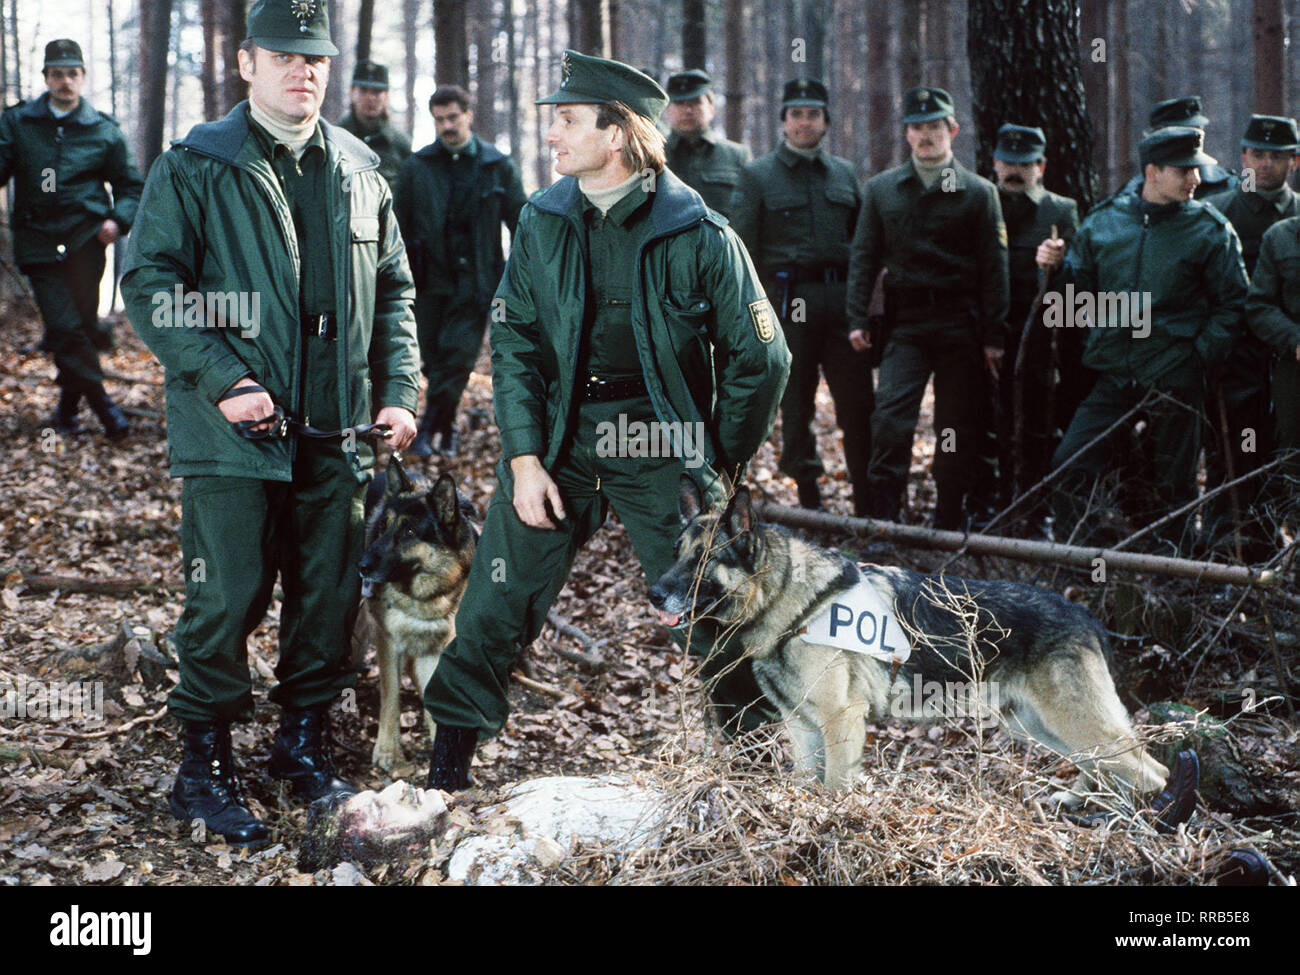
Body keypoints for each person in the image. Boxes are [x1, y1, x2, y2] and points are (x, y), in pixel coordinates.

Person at [421, 50, 790, 791]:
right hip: (558, 436)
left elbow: (764, 356)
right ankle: (446, 769)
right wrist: (524, 457)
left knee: (711, 604)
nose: (551, 135)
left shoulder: (699, 231)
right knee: (496, 598)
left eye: (566, 120)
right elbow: (517, 339)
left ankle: (753, 779)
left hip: (662, 438)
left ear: (616, 134)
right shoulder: (543, 217)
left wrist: (717, 456)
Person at [121, 0, 420, 847]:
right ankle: (202, 768)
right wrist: (225, 379)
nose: (306, 72)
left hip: (339, 431)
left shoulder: (360, 166)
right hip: (233, 434)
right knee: (226, 597)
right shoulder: (197, 164)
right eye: (286, 57)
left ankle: (302, 746)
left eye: (317, 58)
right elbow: (151, 283)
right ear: (247, 63)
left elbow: (395, 290)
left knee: (326, 597)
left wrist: (398, 388)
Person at [1050, 128, 1248, 555]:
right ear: (1152, 172)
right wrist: (1054, 267)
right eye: (1183, 170)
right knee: (1070, 462)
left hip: (1175, 373)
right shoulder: (1104, 222)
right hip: (1114, 375)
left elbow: (1234, 303)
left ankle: (1174, 573)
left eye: (1196, 167)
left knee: (1174, 483)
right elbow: (1075, 293)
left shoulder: (1209, 230)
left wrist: (1197, 355)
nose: (1194, 178)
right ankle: (1074, 562)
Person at [845, 85, 1009, 529]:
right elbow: (863, 257)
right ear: (906, 134)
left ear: (952, 130)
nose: (926, 136)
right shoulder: (882, 190)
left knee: (955, 428)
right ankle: (885, 521)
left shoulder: (978, 193)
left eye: (934, 127)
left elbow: (996, 269)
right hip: (907, 326)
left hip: (961, 327)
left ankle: (949, 517)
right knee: (891, 419)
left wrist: (995, 336)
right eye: (917, 128)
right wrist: (857, 317)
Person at [729, 77, 871, 513]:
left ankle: (868, 500)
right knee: (796, 402)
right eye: (796, 114)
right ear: (783, 122)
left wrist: (863, 308)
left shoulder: (845, 174)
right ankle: (810, 497)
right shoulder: (757, 176)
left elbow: (864, 244)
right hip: (789, 303)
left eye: (813, 114)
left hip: (842, 301)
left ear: (826, 121)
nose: (804, 122)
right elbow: (742, 249)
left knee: (858, 403)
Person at [0, 38, 143, 439]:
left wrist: (118, 221)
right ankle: (105, 407)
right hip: (38, 242)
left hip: (86, 242)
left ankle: (66, 413)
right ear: (46, 77)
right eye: (57, 73)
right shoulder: (17, 123)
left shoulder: (104, 130)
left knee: (76, 326)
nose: (65, 81)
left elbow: (131, 185)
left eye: (72, 73)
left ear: (83, 77)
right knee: (64, 326)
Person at [393, 84, 527, 457]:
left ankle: (432, 426)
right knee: (433, 357)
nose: (447, 126)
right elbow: (397, 227)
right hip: (427, 281)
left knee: (458, 355)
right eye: (439, 120)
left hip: (477, 281)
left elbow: (523, 224)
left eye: (453, 117)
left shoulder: (497, 167)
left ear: (469, 114)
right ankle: (444, 422)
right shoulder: (417, 167)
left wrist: (519, 278)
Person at [1202, 115, 1300, 551]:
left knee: (1284, 447)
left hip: (1285, 357)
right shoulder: (1221, 211)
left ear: (1293, 162)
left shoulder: (1296, 218)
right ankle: (1225, 540)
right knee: (1234, 447)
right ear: (1242, 157)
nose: (1264, 165)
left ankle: (1277, 540)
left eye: (1276, 157)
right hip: (1235, 354)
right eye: (1257, 155)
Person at [989, 124, 1079, 514]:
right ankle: (989, 503)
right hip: (987, 331)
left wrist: (1060, 262)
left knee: (1038, 421)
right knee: (988, 420)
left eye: (1024, 164)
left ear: (1041, 166)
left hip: (1041, 334)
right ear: (994, 162)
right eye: (1008, 162)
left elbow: (1080, 273)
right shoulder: (981, 201)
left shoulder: (1060, 210)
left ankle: (1034, 508)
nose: (1015, 171)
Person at [662, 69, 751, 218]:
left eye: (696, 102)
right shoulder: (651, 156)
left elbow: (747, 215)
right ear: (667, 110)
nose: (688, 110)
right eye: (679, 103)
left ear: (711, 108)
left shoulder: (737, 156)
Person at [1118, 96, 1238, 199]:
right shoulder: (1134, 193)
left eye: (1198, 131)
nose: (1194, 139)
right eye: (1184, 133)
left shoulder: (1228, 186)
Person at [335, 59, 411, 186]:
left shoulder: (400, 144)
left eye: (377, 91)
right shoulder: (335, 137)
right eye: (363, 90)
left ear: (386, 96)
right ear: (352, 93)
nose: (370, 97)